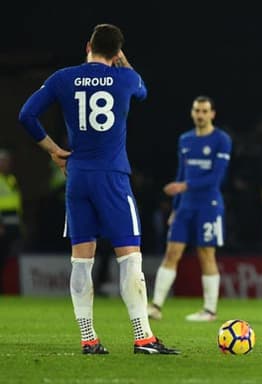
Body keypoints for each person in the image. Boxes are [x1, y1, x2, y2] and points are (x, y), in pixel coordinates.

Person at [18, 24, 178, 355]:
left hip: (77, 176)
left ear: (88, 45)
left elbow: (26, 115)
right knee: (130, 257)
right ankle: (142, 337)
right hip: (112, 177)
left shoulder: (64, 77)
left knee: (81, 261)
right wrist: (124, 62)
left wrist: (52, 150)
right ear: (118, 52)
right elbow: (143, 91)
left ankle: (89, 339)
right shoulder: (126, 78)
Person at [147, 95, 231, 322]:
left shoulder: (222, 140)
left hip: (209, 205)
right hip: (185, 206)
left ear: (212, 114)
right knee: (172, 252)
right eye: (197, 111)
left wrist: (184, 186)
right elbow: (181, 175)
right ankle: (155, 306)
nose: (200, 115)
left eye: (205, 111)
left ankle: (210, 310)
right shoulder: (185, 140)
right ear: (192, 113)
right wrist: (175, 207)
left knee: (206, 254)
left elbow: (215, 178)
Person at [0, 149, 23, 293]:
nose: (6, 164)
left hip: (13, 226)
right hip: (2, 226)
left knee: (6, 259)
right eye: (3, 161)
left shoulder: (11, 179)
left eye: (7, 161)